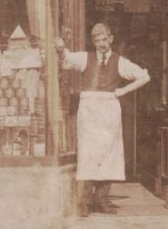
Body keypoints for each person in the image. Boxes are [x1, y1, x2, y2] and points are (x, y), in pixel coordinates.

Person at [54, 23, 150, 216]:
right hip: (89, 109)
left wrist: (123, 90)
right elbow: (67, 61)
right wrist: (61, 49)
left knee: (109, 154)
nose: (101, 44)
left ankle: (102, 198)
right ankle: (85, 201)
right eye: (97, 41)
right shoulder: (85, 58)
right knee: (88, 153)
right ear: (93, 42)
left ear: (111, 38)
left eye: (104, 39)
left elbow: (144, 76)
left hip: (109, 109)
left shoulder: (119, 61)